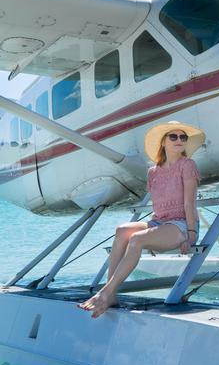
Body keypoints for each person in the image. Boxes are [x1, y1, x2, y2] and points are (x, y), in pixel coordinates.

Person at [78, 120, 204, 318]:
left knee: (137, 239)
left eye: (183, 137)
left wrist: (191, 234)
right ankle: (111, 294)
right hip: (159, 223)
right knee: (122, 230)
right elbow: (159, 208)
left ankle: (106, 292)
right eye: (173, 136)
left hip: (181, 224)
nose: (179, 140)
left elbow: (189, 204)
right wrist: (154, 233)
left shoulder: (187, 165)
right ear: (163, 142)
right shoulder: (153, 172)